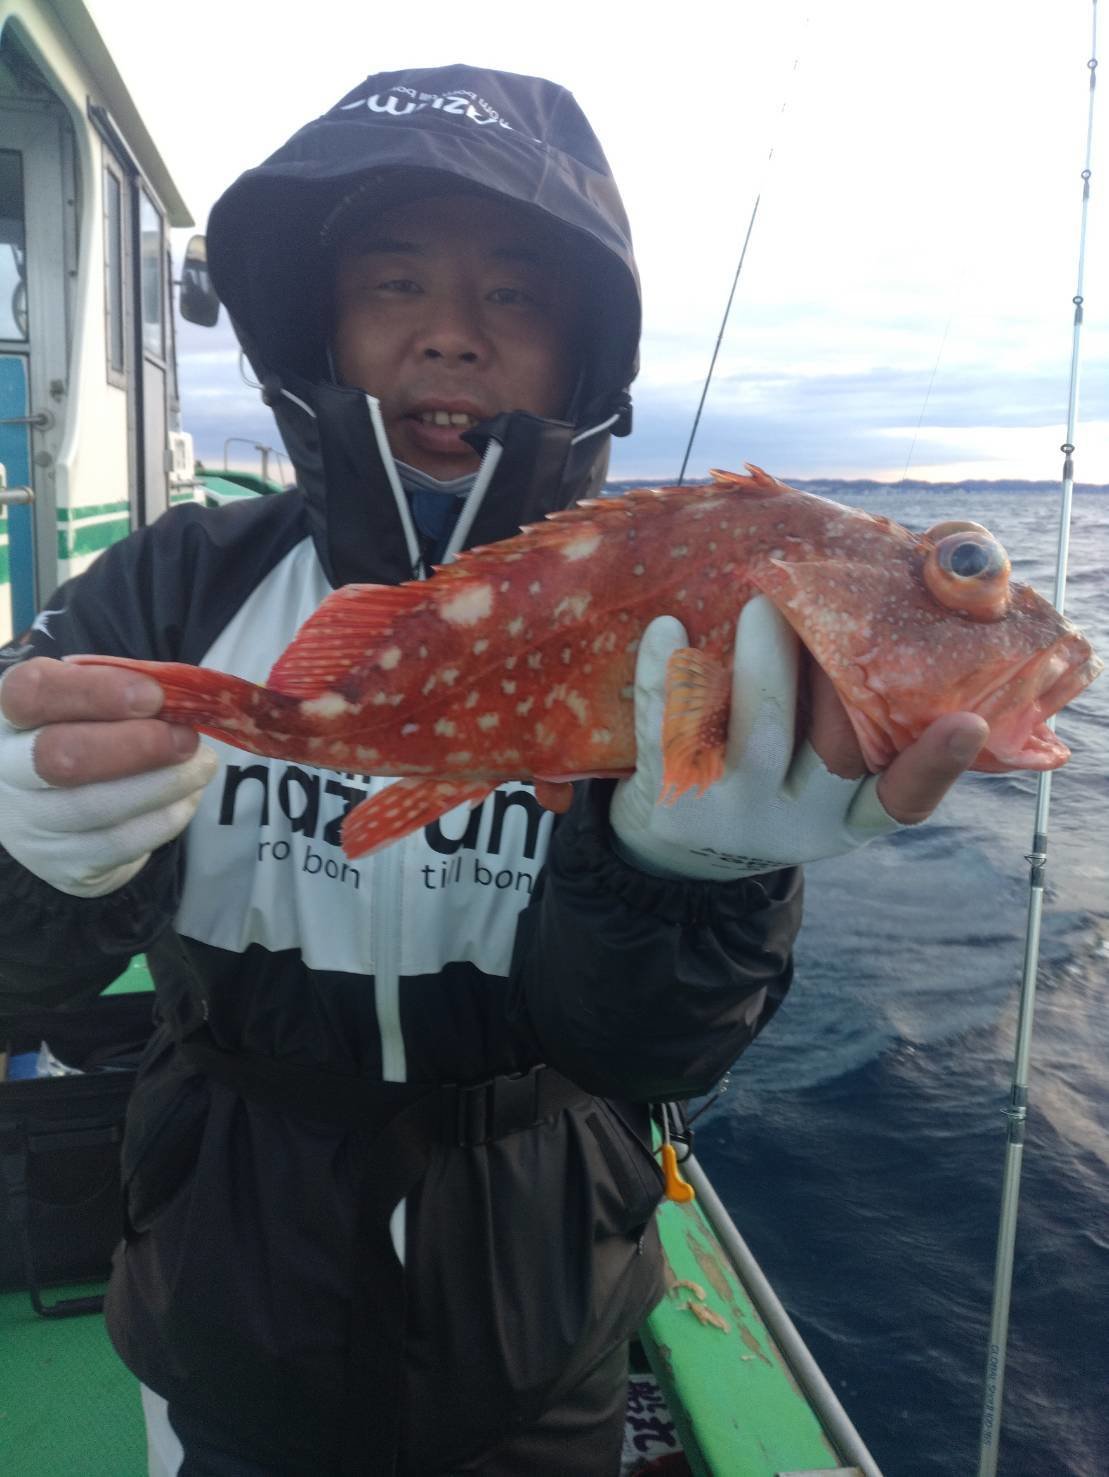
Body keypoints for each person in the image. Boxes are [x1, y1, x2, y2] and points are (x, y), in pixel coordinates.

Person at [0, 65, 986, 1477]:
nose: (451, 333)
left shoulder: (688, 624)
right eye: (395, 282)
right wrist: (28, 861)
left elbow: (653, 1052)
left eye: (514, 296)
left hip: (537, 1337)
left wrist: (689, 876)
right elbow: (18, 981)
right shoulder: (171, 587)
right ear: (321, 322)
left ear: (583, 353)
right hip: (224, 1309)